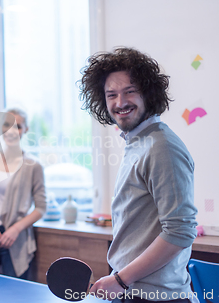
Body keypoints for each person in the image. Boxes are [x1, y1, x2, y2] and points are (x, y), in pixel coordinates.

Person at [78, 48, 198, 302]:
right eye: (112, 95)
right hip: (133, 291)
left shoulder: (161, 146)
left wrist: (121, 279)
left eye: (129, 91)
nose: (120, 103)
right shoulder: (138, 143)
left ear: (148, 92)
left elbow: (180, 231)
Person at [0, 108, 47, 279]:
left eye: (18, 126)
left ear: (26, 129)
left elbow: (41, 208)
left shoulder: (33, 165)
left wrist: (15, 230)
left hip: (15, 240)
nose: (11, 131)